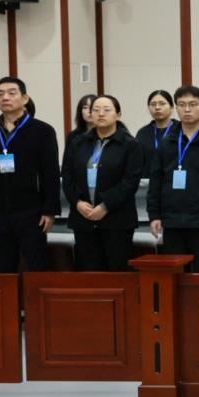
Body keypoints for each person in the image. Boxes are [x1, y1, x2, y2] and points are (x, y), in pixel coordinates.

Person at [146, 85, 199, 273]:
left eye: (193, 105)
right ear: (176, 108)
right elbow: (156, 181)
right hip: (172, 220)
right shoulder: (167, 142)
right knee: (174, 273)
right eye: (182, 105)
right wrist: (154, 215)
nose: (187, 109)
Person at [0, 77, 60, 272]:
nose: (5, 97)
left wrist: (49, 210)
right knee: (2, 268)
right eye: (0, 94)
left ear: (25, 98)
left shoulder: (42, 131)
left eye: (11, 93)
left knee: (36, 266)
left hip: (32, 212)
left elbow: (50, 173)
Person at [62, 95, 145, 271]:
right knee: (89, 271)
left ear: (118, 114)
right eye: (96, 110)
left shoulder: (130, 145)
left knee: (117, 269)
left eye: (107, 110)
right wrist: (77, 202)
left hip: (117, 219)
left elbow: (130, 182)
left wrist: (105, 205)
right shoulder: (78, 143)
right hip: (83, 218)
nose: (100, 114)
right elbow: (67, 175)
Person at [136, 89, 175, 170]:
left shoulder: (180, 130)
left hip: (173, 176)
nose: (157, 107)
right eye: (153, 104)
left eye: (162, 104)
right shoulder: (143, 133)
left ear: (171, 107)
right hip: (148, 177)